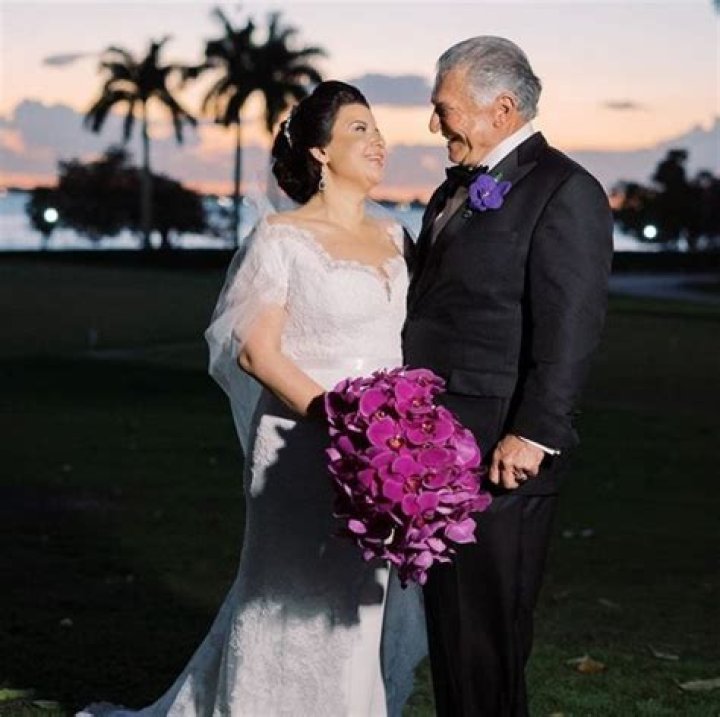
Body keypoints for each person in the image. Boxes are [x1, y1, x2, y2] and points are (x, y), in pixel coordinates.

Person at [77, 81, 425, 717]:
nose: (378, 141)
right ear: (320, 151)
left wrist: (397, 437)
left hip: (385, 455)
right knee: (285, 598)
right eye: (359, 129)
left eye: (377, 129)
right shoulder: (280, 238)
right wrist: (344, 425)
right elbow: (256, 354)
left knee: (359, 603)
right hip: (302, 445)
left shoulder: (399, 236)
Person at [402, 37, 614, 716]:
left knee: (486, 642)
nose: (434, 124)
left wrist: (533, 433)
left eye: (445, 109)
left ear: (500, 109)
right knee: (452, 634)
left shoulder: (564, 191)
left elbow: (570, 325)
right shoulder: (452, 188)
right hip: (440, 450)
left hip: (502, 453)